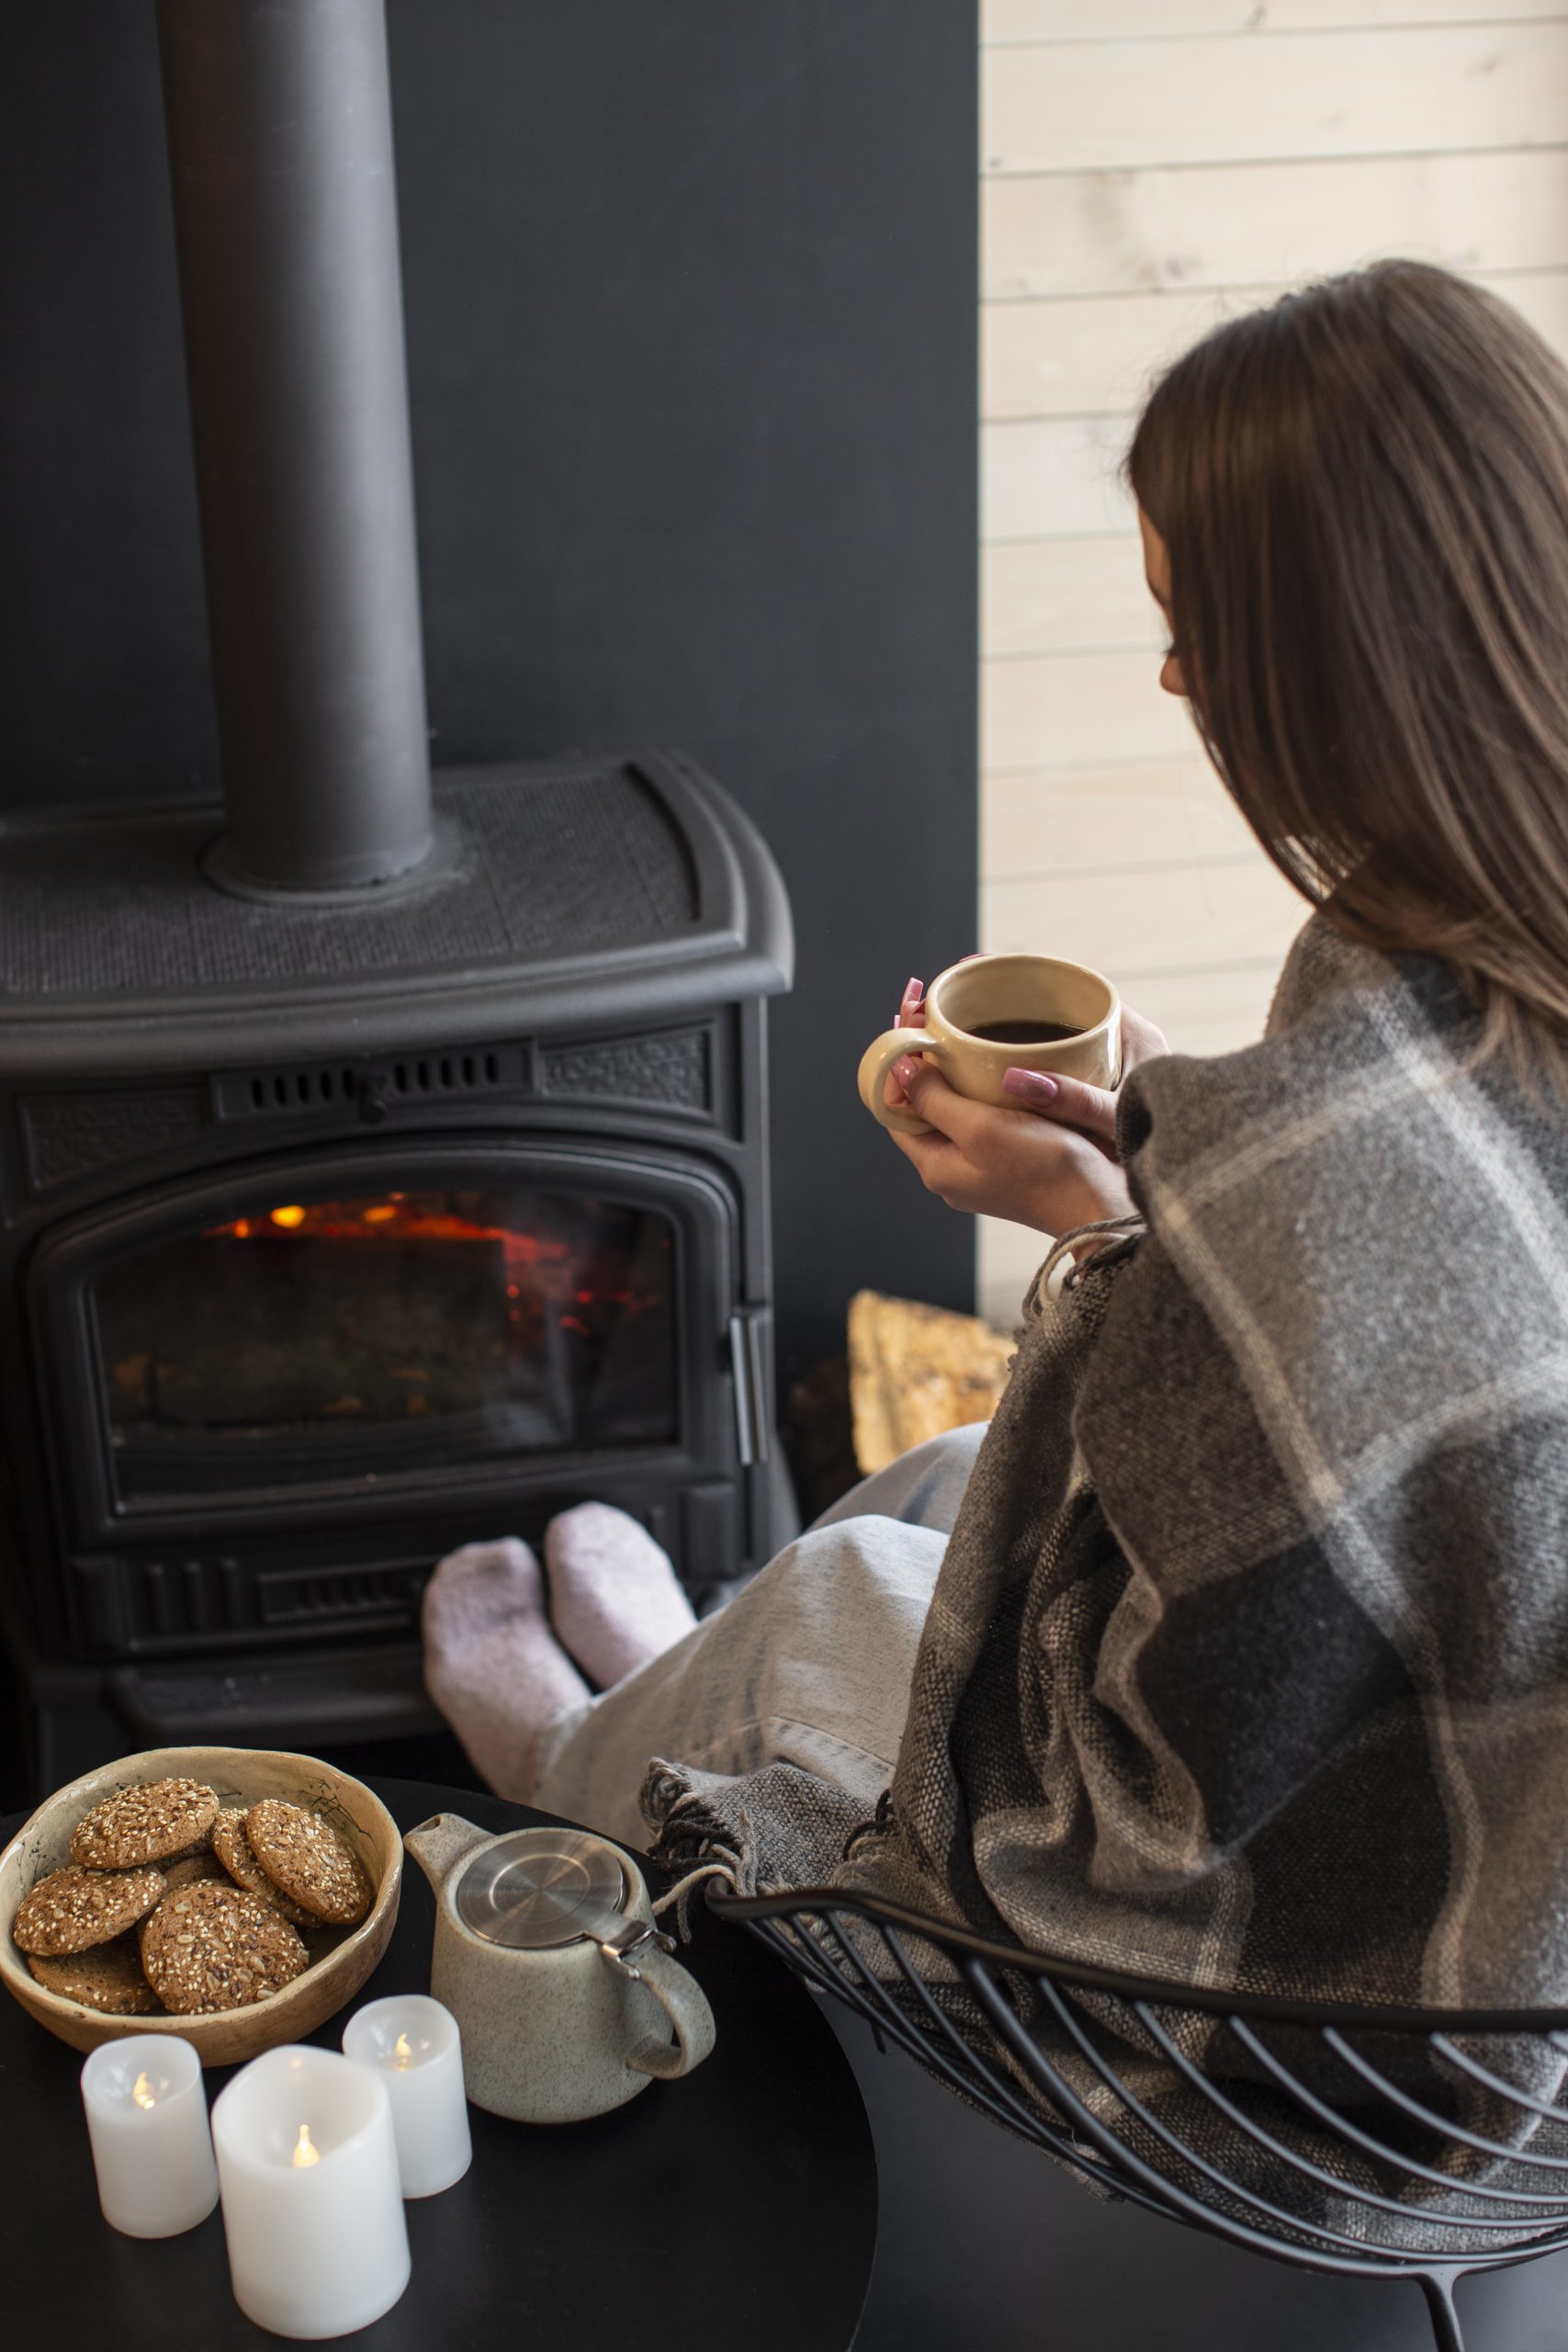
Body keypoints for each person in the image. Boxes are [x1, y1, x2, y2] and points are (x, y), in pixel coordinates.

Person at [425, 261, 1568, 2010]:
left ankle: (568, 1775)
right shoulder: (1466, 996)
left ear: (1339, 673)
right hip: (1504, 1835)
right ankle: (680, 1691)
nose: (1175, 675)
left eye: (1199, 634)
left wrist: (1107, 1231)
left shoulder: (1318, 1175)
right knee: (956, 1485)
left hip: (1347, 1985)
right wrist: (1188, 1177)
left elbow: (1162, 1763)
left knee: (831, 1588)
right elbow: (1389, 1355)